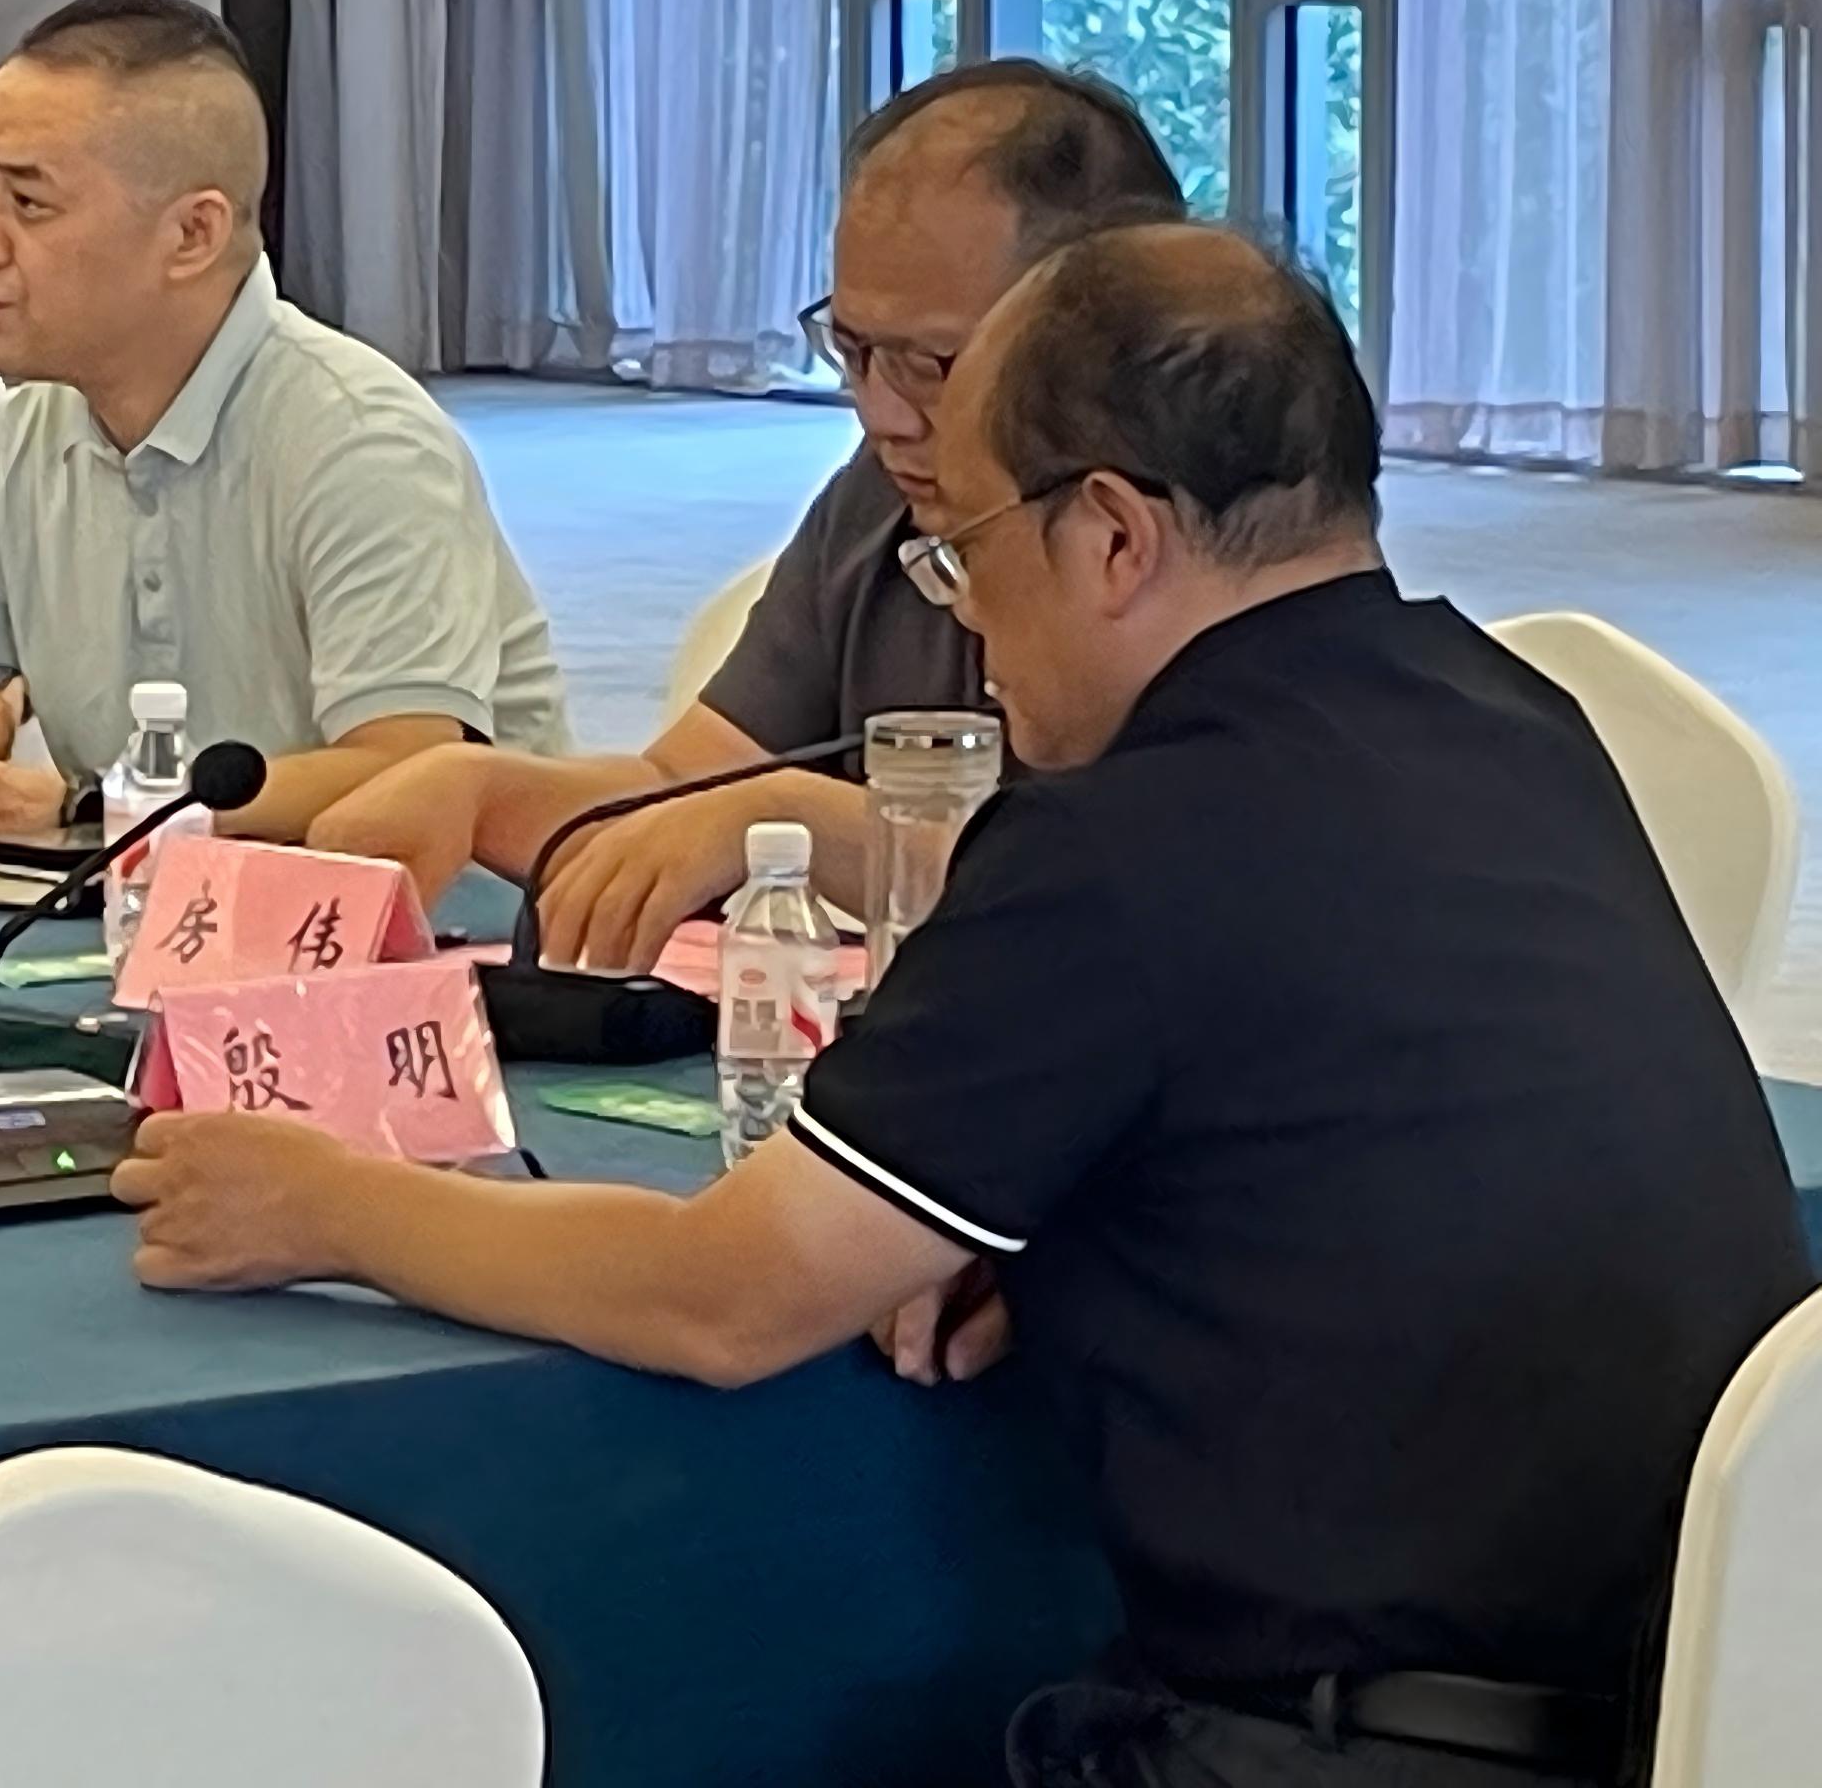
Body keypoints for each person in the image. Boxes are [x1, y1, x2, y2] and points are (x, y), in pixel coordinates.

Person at [115, 223, 1811, 1788]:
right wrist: (1059, 1216)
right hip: (1698, 1695)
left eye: (962, 551)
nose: (965, 614)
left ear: (1114, 535)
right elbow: (1344, 1119)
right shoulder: (1513, 717)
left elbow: (725, 1299)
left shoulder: (1122, 842)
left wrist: (325, 1202)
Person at [311, 59, 1184, 969]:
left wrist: (788, 816)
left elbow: (1142, 891)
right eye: (854, 350)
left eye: (931, 363)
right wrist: (478, 789)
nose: (880, 413)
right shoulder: (881, 496)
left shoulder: (1187, 556)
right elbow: (681, 789)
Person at [0, 0, 567, 875]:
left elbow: (408, 771)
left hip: (437, 936)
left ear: (192, 234)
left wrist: (91, 812)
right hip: (149, 917)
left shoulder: (361, 442)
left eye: (29, 203)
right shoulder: (34, 432)